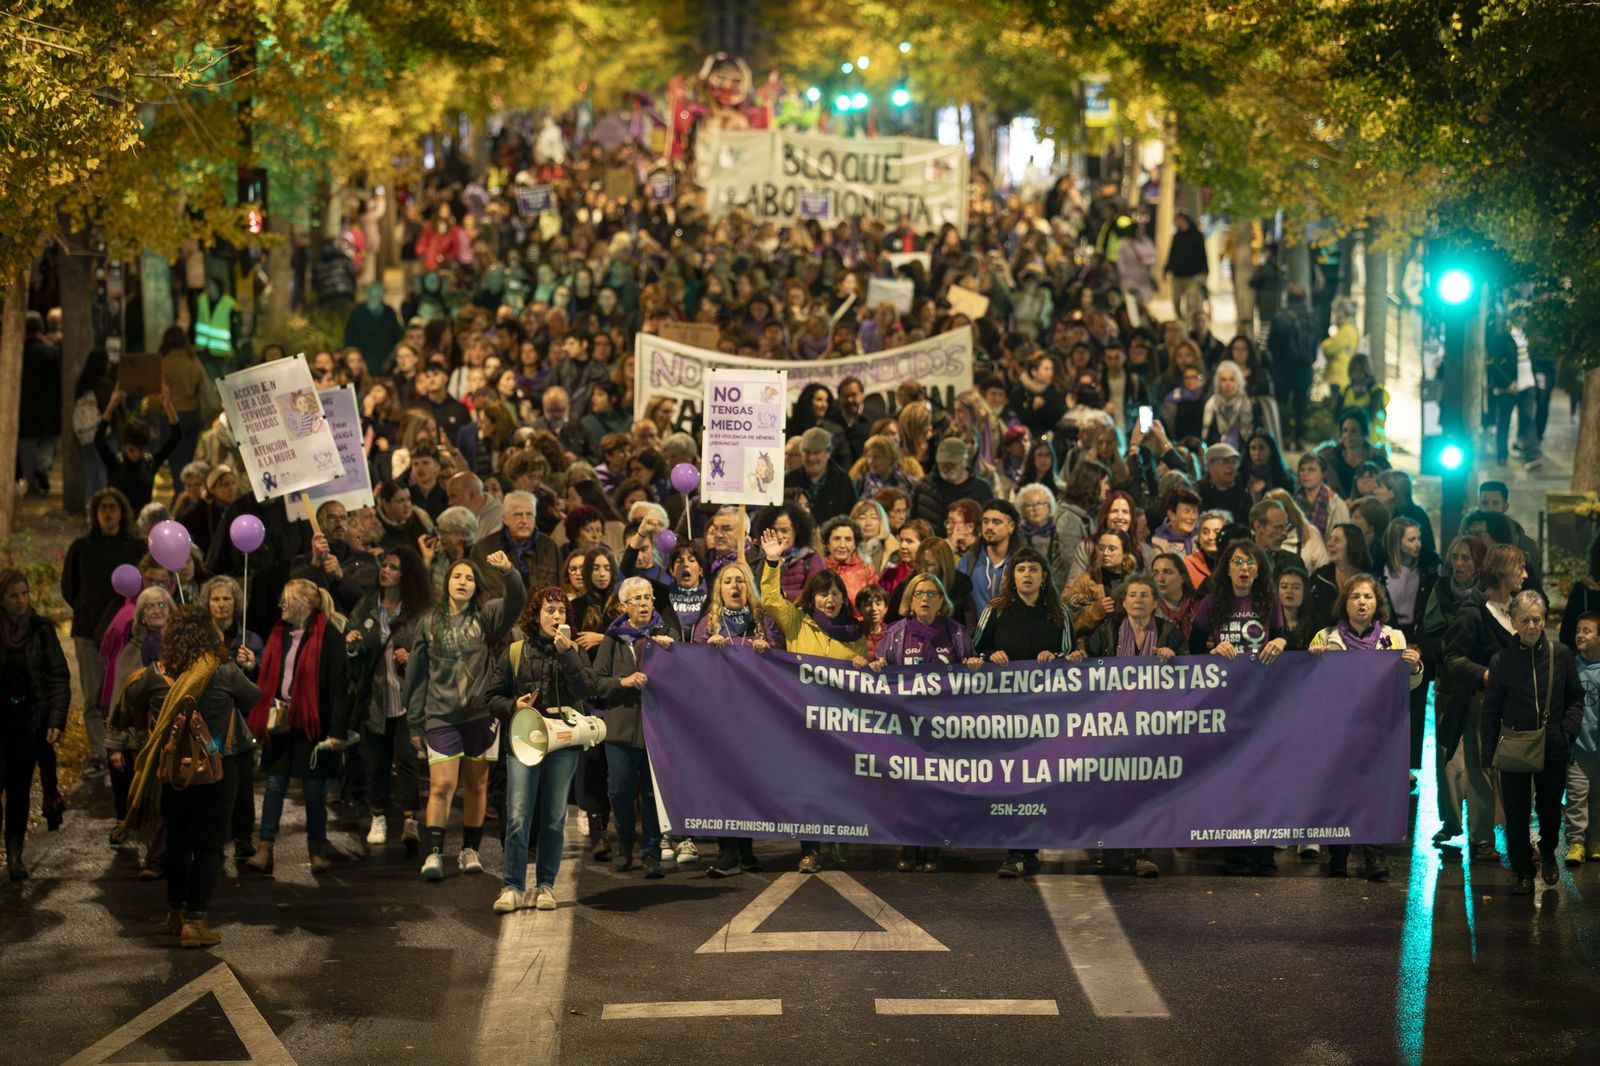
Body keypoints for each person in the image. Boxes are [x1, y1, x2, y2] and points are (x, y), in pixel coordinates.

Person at [116, 605, 259, 947]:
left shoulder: (154, 674)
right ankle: (195, 923)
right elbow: (252, 698)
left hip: (170, 770)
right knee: (209, 846)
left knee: (178, 843)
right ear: (210, 634)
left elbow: (131, 702)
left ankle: (175, 913)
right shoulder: (223, 671)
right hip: (217, 769)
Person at [404, 551, 524, 880]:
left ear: (476, 587)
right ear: (447, 582)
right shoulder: (429, 621)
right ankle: (433, 853)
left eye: (470, 578)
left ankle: (470, 849)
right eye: (457, 576)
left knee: (477, 785)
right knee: (442, 785)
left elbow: (517, 600)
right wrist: (415, 720)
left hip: (480, 716)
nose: (463, 582)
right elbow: (416, 675)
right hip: (440, 716)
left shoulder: (488, 616)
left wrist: (509, 571)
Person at [484, 587, 604, 912]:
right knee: (519, 817)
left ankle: (546, 886)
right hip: (524, 741)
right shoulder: (516, 651)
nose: (556, 616)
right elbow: (490, 697)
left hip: (562, 742)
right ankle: (511, 886)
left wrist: (568, 654)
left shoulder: (572, 649)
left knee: (553, 818)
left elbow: (588, 689)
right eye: (550, 610)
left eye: (562, 611)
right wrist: (513, 705)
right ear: (536, 614)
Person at [758, 527, 868, 872]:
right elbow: (771, 601)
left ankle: (838, 840)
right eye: (823, 595)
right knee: (808, 787)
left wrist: (863, 664)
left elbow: (860, 680)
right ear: (812, 597)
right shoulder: (797, 622)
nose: (829, 600)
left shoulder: (854, 634)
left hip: (841, 722)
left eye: (835, 594)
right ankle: (810, 849)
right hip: (804, 721)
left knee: (840, 784)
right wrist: (773, 561)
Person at [1069, 570, 1184, 878]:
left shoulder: (1170, 632)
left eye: (1144, 595)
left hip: (1152, 726)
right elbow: (1089, 665)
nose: (1137, 600)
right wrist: (1080, 657)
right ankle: (1110, 850)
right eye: (1132, 595)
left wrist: (1175, 658)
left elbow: (1192, 673)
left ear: (1156, 602)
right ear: (1123, 601)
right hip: (1112, 725)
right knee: (1111, 787)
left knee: (1142, 790)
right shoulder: (1107, 630)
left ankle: (1140, 854)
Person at [1308, 574, 1424, 879]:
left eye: (1368, 597)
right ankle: (1338, 856)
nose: (1362, 602)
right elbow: (1309, 687)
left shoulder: (1394, 638)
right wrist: (1314, 662)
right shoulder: (1324, 637)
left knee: (1375, 793)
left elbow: (1408, 685)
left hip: (1379, 730)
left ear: (1378, 604)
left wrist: (1414, 667)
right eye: (1355, 596)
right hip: (1338, 730)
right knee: (1339, 793)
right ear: (1344, 603)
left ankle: (1375, 857)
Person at [242, 579, 349, 877]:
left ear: (306, 603)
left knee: (314, 788)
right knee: (275, 784)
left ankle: (317, 848)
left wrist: (337, 731)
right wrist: (255, 665)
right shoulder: (279, 633)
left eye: (287, 600)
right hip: (283, 721)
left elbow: (340, 688)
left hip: (314, 724)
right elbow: (274, 675)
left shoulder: (329, 636)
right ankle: (265, 847)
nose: (281, 605)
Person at [1482, 591, 1583, 894]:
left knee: (1551, 808)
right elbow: (1492, 709)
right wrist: (1488, 755)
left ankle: (1549, 851)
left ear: (1544, 620)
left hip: (1552, 744)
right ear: (1512, 621)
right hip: (1514, 743)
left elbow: (1576, 698)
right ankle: (1522, 871)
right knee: (1516, 812)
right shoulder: (1502, 660)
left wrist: (1566, 731)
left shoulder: (1560, 655)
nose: (1531, 625)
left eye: (1537, 619)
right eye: (1524, 619)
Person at [873, 572, 974, 873]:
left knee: (936, 786)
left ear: (942, 601)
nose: (925, 599)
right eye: (919, 594)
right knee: (906, 787)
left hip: (943, 725)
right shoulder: (896, 633)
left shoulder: (956, 633)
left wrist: (973, 665)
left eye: (932, 594)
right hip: (906, 725)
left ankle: (933, 847)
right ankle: (908, 846)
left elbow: (972, 672)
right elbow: (882, 667)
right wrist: (877, 665)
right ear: (910, 600)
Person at [693, 562, 785, 878]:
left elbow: (784, 668)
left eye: (741, 581)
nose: (735, 586)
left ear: (750, 588)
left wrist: (768, 653)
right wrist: (707, 652)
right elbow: (692, 670)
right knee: (722, 783)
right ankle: (726, 852)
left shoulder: (764, 623)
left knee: (746, 783)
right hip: (719, 716)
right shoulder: (708, 625)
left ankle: (745, 851)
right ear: (719, 589)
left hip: (755, 717)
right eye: (729, 581)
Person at [1442, 544, 1529, 865]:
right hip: (1482, 704)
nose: (1525, 574)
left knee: (1517, 772)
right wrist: (1485, 674)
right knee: (1482, 771)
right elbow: (1451, 658)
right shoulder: (1473, 611)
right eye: (1520, 567)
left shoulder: (1516, 609)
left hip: (1517, 705)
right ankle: (1481, 840)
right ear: (1502, 570)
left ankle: (1518, 838)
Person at [346, 546, 432, 853]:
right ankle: (378, 816)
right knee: (376, 762)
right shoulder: (367, 607)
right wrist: (352, 644)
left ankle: (411, 818)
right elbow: (351, 643)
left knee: (407, 760)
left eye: (394, 567)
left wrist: (411, 658)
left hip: (408, 701)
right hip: (376, 700)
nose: (386, 570)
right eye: (384, 565)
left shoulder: (418, 611)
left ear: (405, 574)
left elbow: (432, 650)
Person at [591, 577, 675, 877]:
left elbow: (684, 678)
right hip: (621, 729)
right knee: (620, 791)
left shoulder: (667, 635)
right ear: (624, 606)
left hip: (656, 730)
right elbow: (596, 681)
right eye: (637, 599)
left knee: (653, 794)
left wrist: (671, 652)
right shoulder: (613, 639)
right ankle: (625, 844)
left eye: (648, 598)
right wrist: (622, 682)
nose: (643, 603)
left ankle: (651, 851)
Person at [61, 488, 146, 773]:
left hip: (126, 634)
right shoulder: (81, 548)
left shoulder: (136, 548)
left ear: (123, 511)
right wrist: (88, 610)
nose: (108, 512)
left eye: (113, 507)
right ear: (94, 514)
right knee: (93, 696)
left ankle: (125, 748)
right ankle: (99, 754)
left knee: (125, 694)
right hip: (88, 632)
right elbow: (68, 588)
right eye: (102, 508)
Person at [0, 571, 70, 880]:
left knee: (18, 790)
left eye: (24, 593)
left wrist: (56, 719)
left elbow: (58, 676)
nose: (20, 600)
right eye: (13, 595)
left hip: (28, 723)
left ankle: (15, 855)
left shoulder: (41, 631)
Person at [94, 386, 184, 512]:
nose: (135, 454)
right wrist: (111, 406)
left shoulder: (149, 463)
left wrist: (168, 405)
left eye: (139, 449)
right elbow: (98, 440)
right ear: (125, 447)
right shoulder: (115, 463)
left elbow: (176, 436)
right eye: (131, 449)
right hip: (117, 516)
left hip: (141, 518)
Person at [1561, 613, 1600, 867]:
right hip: (1578, 746)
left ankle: (1595, 839)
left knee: (1597, 796)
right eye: (1578, 630)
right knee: (1576, 796)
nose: (1580, 635)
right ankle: (1576, 840)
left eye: (1587, 630)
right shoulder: (1571, 666)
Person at [1064, 530, 1139, 640]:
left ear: (1125, 553)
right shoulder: (1086, 581)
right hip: (1092, 648)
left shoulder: (1135, 583)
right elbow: (1064, 619)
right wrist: (1096, 610)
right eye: (1101, 548)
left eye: (1111, 549)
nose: (1105, 553)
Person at [17, 312, 62, 496]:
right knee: (49, 441)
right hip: (48, 405)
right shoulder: (51, 351)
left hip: (24, 407)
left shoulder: (17, 352)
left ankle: (33, 485)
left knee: (26, 446)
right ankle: (42, 467)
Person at [786, 426, 858, 523]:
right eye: (807, 452)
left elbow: (851, 516)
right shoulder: (789, 480)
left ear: (828, 453)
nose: (811, 458)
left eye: (816, 452)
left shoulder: (842, 481)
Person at [1294, 452, 1349, 539]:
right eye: (1302, 470)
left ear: (1323, 474)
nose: (1305, 474)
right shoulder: (1293, 502)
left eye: (1311, 469)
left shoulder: (1337, 505)